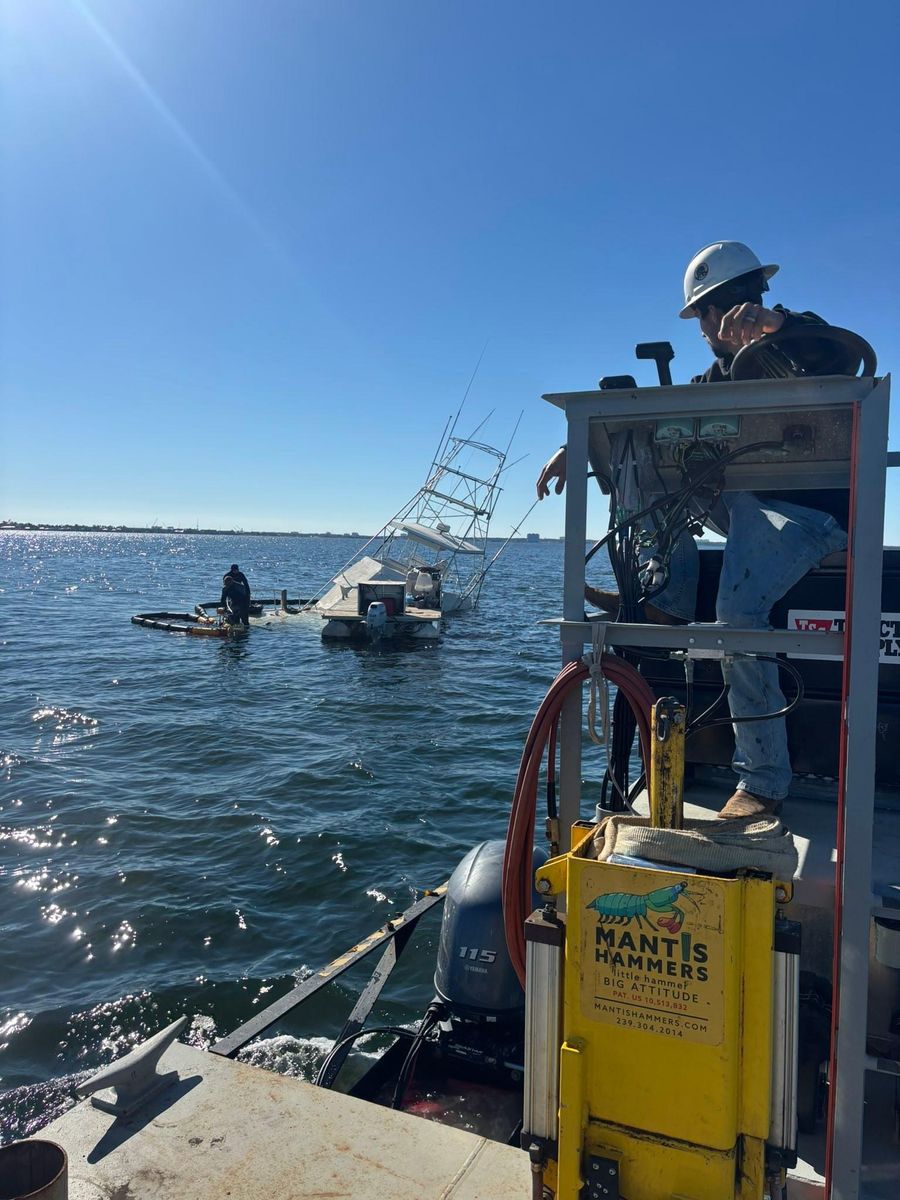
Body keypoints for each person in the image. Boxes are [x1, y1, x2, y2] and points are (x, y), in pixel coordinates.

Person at [536, 241, 855, 819]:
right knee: (647, 459)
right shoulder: (715, 376)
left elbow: (846, 358)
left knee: (737, 616)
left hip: (810, 518)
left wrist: (776, 326)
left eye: (708, 315)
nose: (710, 328)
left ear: (713, 313)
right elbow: (658, 425)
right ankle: (668, 599)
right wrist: (582, 443)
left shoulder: (807, 340)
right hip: (746, 505)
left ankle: (762, 782)